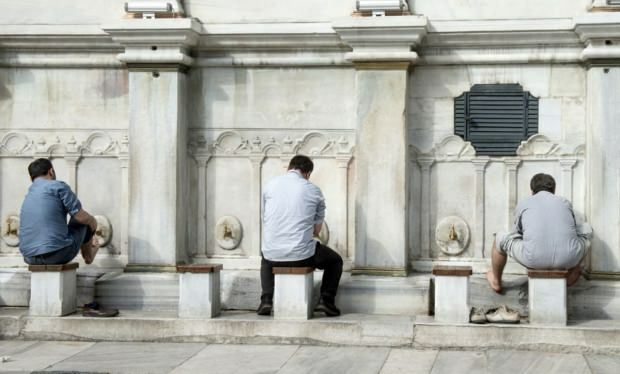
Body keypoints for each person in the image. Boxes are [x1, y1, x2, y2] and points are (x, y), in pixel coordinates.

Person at [19, 158, 117, 317]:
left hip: (29, 257)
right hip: (56, 254)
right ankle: (89, 255)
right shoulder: (58, 186)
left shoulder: (29, 194)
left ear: (31, 178)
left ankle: (86, 249)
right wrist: (93, 223)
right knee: (83, 221)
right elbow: (80, 216)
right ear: (51, 171)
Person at [258, 155, 343, 317]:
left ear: (289, 168)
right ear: (307, 173)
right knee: (335, 261)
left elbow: (266, 219)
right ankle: (326, 301)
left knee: (267, 253)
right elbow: (316, 231)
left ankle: (266, 300)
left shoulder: (270, 186)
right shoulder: (313, 190)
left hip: (272, 256)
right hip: (301, 256)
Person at [486, 173, 591, 293]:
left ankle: (496, 281)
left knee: (499, 238)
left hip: (533, 259)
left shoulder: (525, 203)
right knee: (587, 229)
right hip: (569, 259)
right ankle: (573, 273)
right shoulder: (565, 202)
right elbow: (572, 230)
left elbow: (517, 233)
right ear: (553, 189)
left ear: (532, 190)